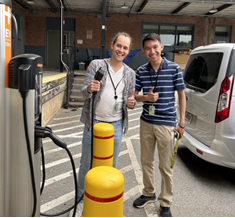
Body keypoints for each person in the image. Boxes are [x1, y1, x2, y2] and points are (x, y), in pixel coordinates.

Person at [69, 32, 136, 217]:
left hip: (115, 126)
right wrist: (90, 88)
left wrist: (132, 104)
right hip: (94, 123)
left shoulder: (130, 73)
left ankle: (104, 201)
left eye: (125, 48)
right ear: (112, 45)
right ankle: (82, 199)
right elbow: (83, 93)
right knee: (86, 164)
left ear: (128, 51)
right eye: (119, 46)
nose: (121, 50)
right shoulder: (98, 65)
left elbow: (130, 100)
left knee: (110, 167)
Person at [133, 33, 186, 217]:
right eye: (147, 48)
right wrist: (145, 98)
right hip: (146, 122)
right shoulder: (140, 70)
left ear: (161, 47)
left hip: (166, 124)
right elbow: (135, 96)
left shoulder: (174, 68)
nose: (152, 51)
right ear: (143, 51)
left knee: (165, 165)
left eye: (155, 47)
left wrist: (181, 123)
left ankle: (165, 202)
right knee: (146, 161)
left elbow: (181, 95)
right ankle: (149, 193)